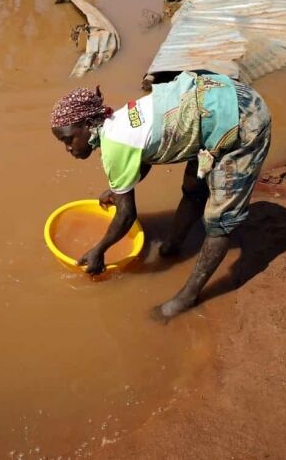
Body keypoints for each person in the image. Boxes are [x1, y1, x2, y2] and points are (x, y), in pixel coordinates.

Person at [50, 71, 271, 319]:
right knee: (194, 189)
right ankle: (173, 246)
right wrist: (116, 189)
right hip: (215, 99)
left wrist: (99, 249)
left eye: (69, 140)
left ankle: (186, 298)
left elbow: (126, 216)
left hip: (242, 120)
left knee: (218, 222)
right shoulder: (117, 119)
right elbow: (145, 155)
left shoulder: (115, 147)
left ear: (88, 125)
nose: (68, 148)